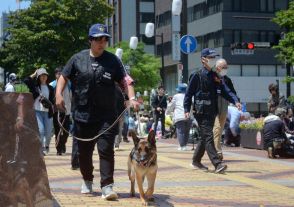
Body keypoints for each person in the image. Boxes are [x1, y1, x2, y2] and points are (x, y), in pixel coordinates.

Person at [55, 23, 138, 200]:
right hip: (82, 114)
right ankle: (87, 179)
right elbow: (64, 76)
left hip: (107, 115)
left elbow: (126, 80)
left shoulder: (113, 60)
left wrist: (131, 98)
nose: (102, 43)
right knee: (83, 152)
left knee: (106, 149)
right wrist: (58, 94)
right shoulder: (77, 59)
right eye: (98, 39)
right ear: (90, 40)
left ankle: (107, 186)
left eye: (105, 40)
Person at [184, 48, 241, 173]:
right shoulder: (196, 75)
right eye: (211, 58)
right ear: (203, 60)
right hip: (200, 111)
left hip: (212, 110)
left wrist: (235, 100)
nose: (213, 60)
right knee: (209, 136)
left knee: (205, 137)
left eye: (214, 58)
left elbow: (226, 90)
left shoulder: (215, 76)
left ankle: (196, 161)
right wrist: (186, 109)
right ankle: (217, 163)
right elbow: (188, 94)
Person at [24, 68, 54, 155]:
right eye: (41, 75)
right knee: (40, 131)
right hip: (37, 111)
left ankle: (47, 145)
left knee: (48, 132)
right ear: (39, 77)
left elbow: (53, 100)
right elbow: (26, 80)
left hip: (48, 112)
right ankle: (41, 149)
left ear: (47, 76)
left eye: (45, 75)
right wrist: (34, 74)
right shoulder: (35, 87)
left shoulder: (51, 88)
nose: (44, 77)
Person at [212, 58, 238, 160]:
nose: (225, 69)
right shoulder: (212, 77)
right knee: (217, 128)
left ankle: (215, 149)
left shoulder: (227, 79)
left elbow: (232, 92)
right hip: (213, 107)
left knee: (219, 129)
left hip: (224, 107)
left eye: (226, 67)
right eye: (224, 67)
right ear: (218, 68)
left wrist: (236, 101)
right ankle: (217, 152)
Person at [50, 67, 72, 155]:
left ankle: (63, 144)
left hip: (67, 110)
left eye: (61, 73)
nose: (59, 74)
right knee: (57, 130)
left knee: (66, 130)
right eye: (57, 73)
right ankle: (59, 149)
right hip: (56, 111)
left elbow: (71, 96)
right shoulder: (52, 85)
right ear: (55, 74)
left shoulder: (69, 84)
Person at [166, 83, 191, 151]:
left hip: (179, 116)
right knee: (186, 131)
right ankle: (185, 145)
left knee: (180, 131)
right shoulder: (190, 95)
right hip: (188, 115)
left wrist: (168, 111)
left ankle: (182, 146)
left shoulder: (176, 96)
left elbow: (171, 106)